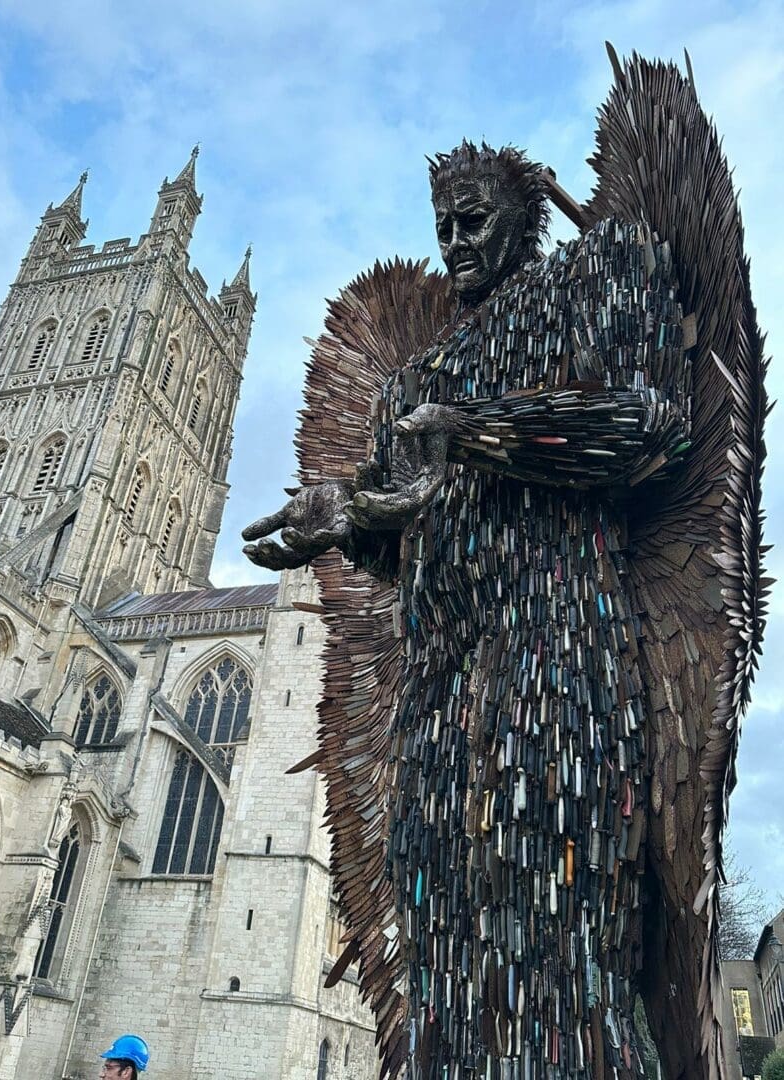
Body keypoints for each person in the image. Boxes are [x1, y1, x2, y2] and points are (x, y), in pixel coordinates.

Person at [243, 53, 766, 1080]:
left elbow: (645, 429)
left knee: (559, 950)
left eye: (471, 220)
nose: (452, 243)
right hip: (439, 690)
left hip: (556, 666)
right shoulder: (418, 378)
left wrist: (480, 430)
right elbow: (403, 531)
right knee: (441, 947)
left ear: (524, 214)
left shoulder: (595, 279)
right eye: (441, 223)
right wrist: (345, 518)